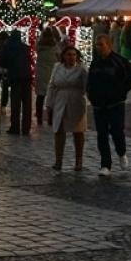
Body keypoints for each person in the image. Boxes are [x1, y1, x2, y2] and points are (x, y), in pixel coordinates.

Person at [87, 34, 131, 176]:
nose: (98, 47)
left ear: (109, 45)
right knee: (102, 134)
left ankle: (121, 152)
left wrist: (119, 93)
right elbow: (90, 82)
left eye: (101, 44)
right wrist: (92, 96)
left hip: (115, 104)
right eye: (97, 45)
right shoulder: (95, 63)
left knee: (117, 131)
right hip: (99, 105)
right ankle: (105, 164)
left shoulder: (119, 62)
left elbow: (130, 80)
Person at [46, 44, 88, 172]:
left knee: (78, 132)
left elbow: (87, 87)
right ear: (64, 56)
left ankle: (79, 161)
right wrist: (49, 103)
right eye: (69, 55)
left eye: (74, 55)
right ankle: (58, 161)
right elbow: (52, 85)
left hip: (76, 101)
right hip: (60, 100)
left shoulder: (81, 70)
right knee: (59, 131)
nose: (71, 57)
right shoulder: (57, 67)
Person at [0, 29, 32, 134]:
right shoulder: (26, 48)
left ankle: (15, 127)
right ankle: (26, 128)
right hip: (26, 77)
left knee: (15, 103)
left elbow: (2, 62)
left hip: (15, 77)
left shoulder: (7, 47)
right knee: (27, 103)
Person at [35, 23, 61, 124]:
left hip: (41, 73)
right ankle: (50, 119)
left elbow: (35, 50)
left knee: (40, 96)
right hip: (52, 72)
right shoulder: (54, 46)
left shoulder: (39, 45)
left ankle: (39, 118)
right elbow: (59, 57)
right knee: (52, 97)